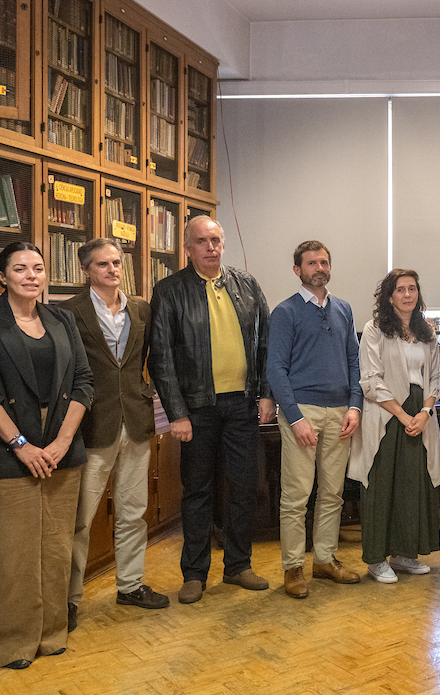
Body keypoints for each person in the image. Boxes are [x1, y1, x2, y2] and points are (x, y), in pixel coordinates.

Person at [0, 241, 93, 669]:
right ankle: (7, 644)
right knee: (9, 555)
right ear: (1, 275)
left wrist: (60, 442)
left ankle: (50, 634)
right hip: (9, 453)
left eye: (38, 268)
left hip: (62, 451)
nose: (31, 276)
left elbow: (83, 381)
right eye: (20, 268)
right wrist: (20, 444)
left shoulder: (62, 317)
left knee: (56, 551)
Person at [149, 216, 273, 604]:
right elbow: (162, 358)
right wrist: (177, 413)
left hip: (242, 404)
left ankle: (238, 565)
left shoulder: (247, 285)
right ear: (187, 248)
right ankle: (195, 574)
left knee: (243, 487)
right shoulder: (169, 291)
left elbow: (266, 344)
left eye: (216, 240)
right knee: (198, 491)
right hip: (196, 409)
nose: (211, 247)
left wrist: (267, 394)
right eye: (201, 241)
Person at [63, 238, 168, 632]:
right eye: (103, 264)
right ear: (86, 270)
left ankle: (131, 585)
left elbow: (155, 358)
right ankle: (70, 599)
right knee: (80, 520)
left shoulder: (140, 307)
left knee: (132, 512)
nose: (112, 269)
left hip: (138, 421)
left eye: (116, 262)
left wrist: (154, 395)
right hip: (91, 426)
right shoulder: (69, 312)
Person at [268, 240, 363, 598]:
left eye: (324, 261)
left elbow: (354, 361)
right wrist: (294, 418)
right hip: (302, 414)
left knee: (333, 493)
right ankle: (293, 568)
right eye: (311, 263)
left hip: (341, 413)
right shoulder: (286, 312)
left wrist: (355, 406)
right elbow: (276, 369)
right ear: (298, 270)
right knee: (296, 495)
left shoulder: (343, 309)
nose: (319, 268)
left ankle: (324, 560)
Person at [349, 269, 440, 583]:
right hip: (386, 417)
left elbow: (436, 377)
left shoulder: (426, 331)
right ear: (389, 296)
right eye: (401, 289)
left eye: (413, 289)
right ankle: (376, 558)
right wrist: (405, 416)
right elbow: (370, 381)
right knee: (381, 487)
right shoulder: (375, 329)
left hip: (421, 415)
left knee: (413, 485)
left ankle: (405, 554)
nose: (408, 294)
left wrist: (425, 412)